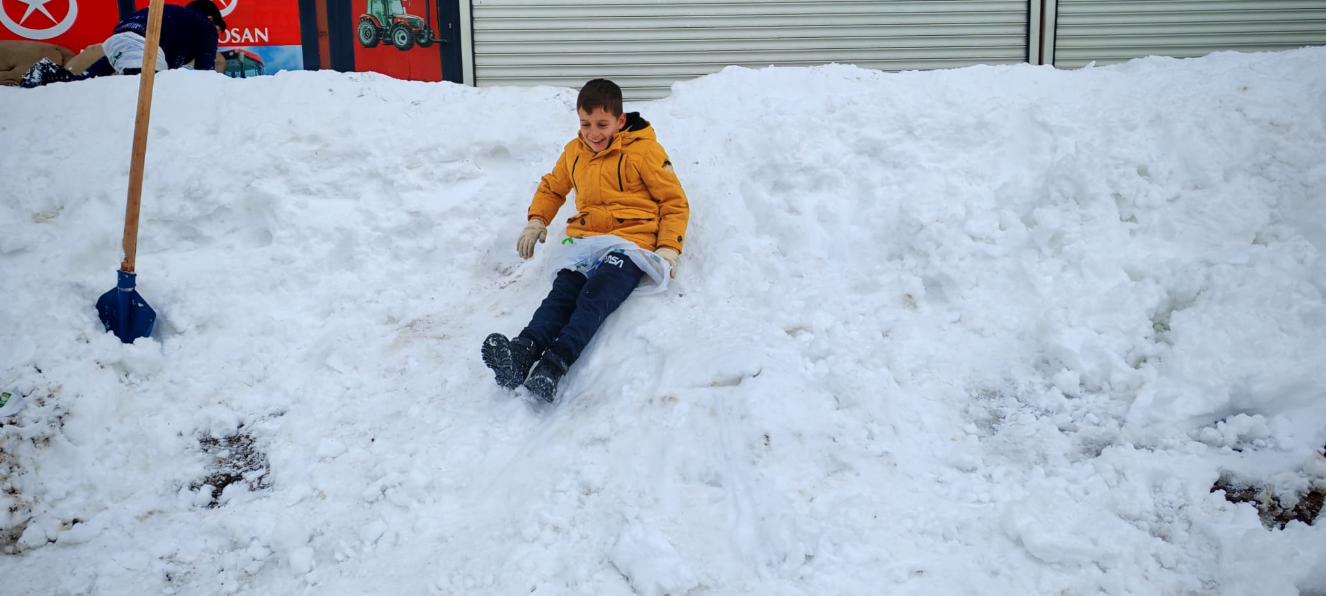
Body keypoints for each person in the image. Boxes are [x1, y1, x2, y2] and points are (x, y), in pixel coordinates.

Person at [482, 79, 690, 402]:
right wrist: (537, 220)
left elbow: (673, 201)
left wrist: (669, 248)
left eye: (602, 125)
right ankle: (523, 351)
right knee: (562, 294)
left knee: (595, 295)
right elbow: (553, 188)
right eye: (585, 124)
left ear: (620, 121)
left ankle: (554, 364)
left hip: (630, 242)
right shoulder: (574, 152)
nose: (593, 133)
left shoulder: (645, 151)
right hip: (587, 240)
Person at [20, 0, 225, 88]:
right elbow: (205, 73)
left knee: (83, 82)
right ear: (210, 19)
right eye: (218, 30)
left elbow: (129, 49)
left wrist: (90, 75)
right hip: (143, 45)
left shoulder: (173, 16)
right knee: (139, 94)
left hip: (118, 40)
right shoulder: (205, 25)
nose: (215, 37)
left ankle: (50, 73)